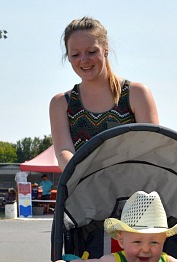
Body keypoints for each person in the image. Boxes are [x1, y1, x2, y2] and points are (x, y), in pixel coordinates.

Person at [50, 16, 159, 171]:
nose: (84, 60)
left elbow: (152, 149)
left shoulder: (137, 94)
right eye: (75, 54)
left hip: (133, 191)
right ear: (68, 57)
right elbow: (63, 152)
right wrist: (86, 176)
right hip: (83, 191)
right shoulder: (61, 103)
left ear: (105, 48)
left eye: (91, 51)